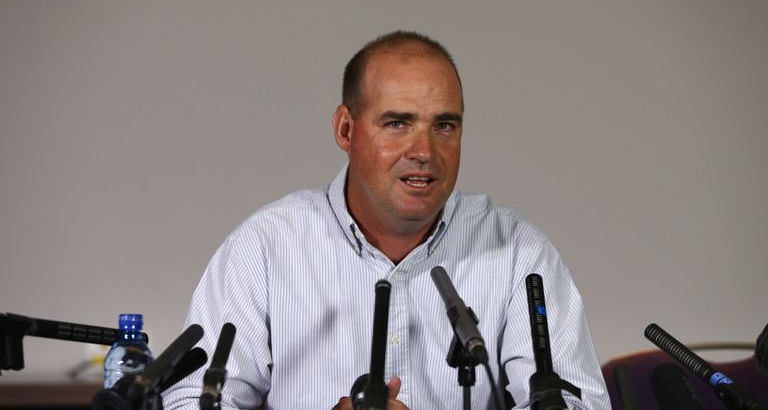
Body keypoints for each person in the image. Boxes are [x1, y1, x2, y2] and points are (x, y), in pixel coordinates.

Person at [163, 31, 610, 409]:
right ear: (345, 130)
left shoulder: (516, 251)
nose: (425, 151)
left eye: (445, 126)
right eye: (398, 123)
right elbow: (189, 401)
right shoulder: (265, 247)